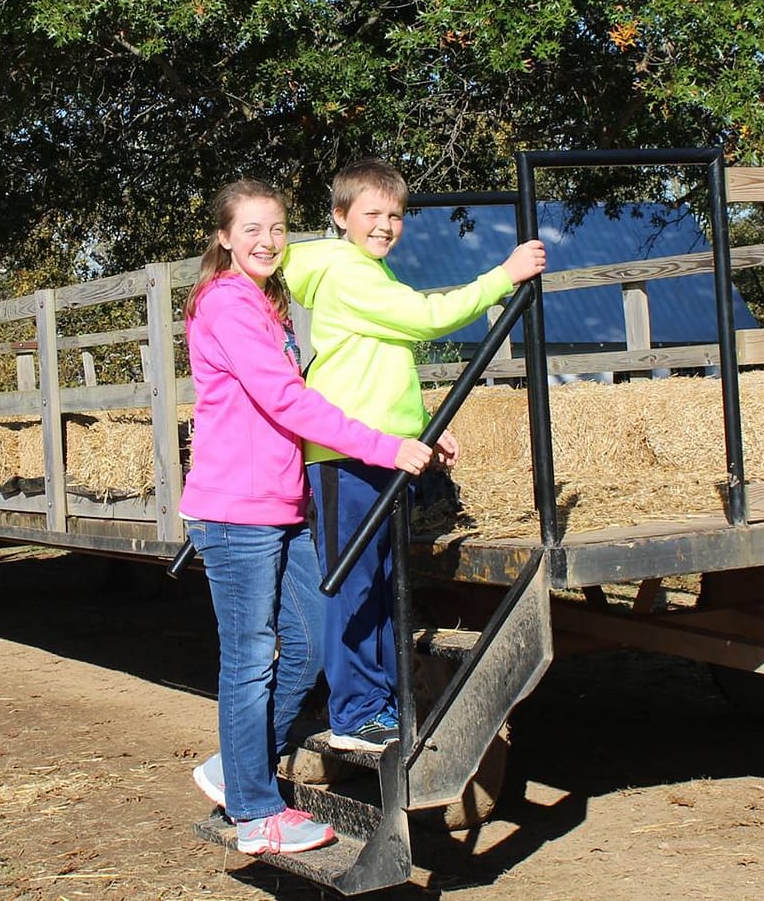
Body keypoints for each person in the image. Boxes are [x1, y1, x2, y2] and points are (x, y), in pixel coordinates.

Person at [180, 178, 434, 855]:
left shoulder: (270, 304)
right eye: (252, 229)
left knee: (316, 641)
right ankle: (256, 811)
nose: (266, 240)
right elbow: (288, 401)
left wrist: (415, 426)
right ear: (225, 236)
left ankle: (230, 769)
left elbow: (320, 386)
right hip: (236, 511)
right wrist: (385, 447)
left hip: (283, 502)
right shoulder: (228, 304)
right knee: (250, 659)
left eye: (277, 228)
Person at [284, 157, 546, 752]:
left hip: (385, 451)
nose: (385, 224)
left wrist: (424, 427)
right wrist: (502, 274)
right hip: (343, 454)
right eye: (371, 213)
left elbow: (381, 373)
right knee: (352, 583)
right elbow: (426, 320)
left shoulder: (372, 274)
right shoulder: (351, 277)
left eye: (395, 215)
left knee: (378, 580)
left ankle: (380, 703)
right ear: (340, 217)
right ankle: (355, 714)